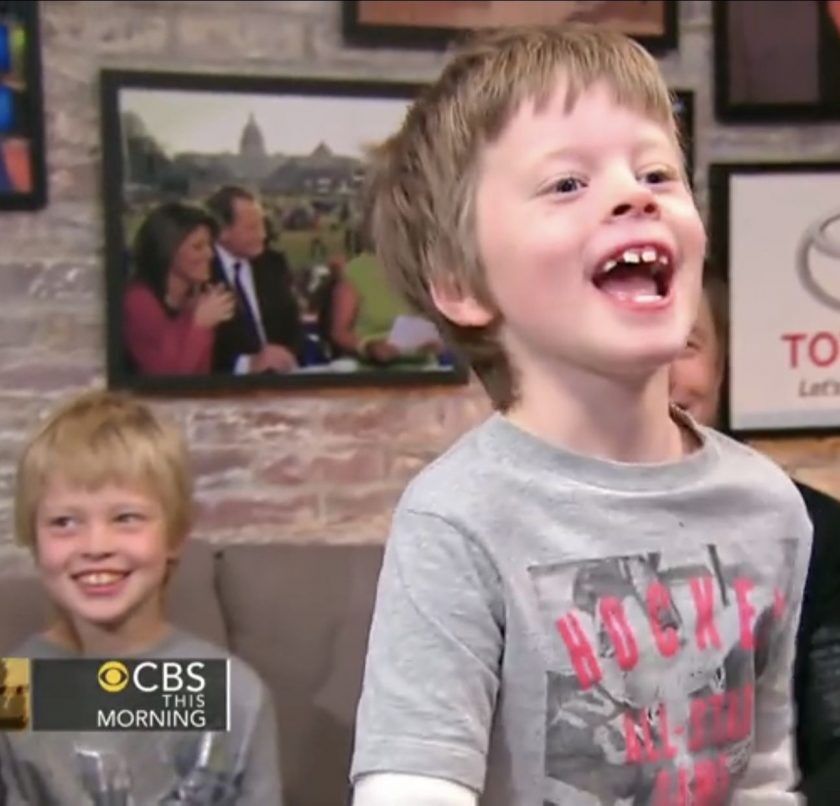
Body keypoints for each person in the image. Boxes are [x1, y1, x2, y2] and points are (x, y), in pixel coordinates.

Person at [350, 24, 812, 806]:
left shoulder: (769, 507)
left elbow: (760, 773)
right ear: (462, 284)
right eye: (567, 184)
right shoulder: (458, 519)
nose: (636, 194)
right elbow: (412, 786)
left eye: (658, 172)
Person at [0, 390, 282, 804]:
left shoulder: (230, 691)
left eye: (126, 518)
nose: (95, 545)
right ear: (34, 540)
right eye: (64, 522)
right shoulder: (15, 686)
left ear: (174, 536)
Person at [670, 271, 840, 804]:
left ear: (722, 367)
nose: (659, 371)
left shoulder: (814, 530)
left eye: (686, 345)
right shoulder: (500, 527)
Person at [123, 202, 235, 375]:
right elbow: (167, 378)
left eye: (209, 245)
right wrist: (199, 325)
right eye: (197, 247)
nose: (210, 254)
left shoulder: (196, 299)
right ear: (167, 251)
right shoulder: (138, 301)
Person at [205, 186, 302, 374]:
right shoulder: (202, 272)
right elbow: (202, 347)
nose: (263, 235)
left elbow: (292, 324)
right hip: (227, 387)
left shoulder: (273, 264)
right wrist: (247, 364)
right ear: (222, 231)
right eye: (252, 228)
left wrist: (285, 356)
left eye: (262, 225)